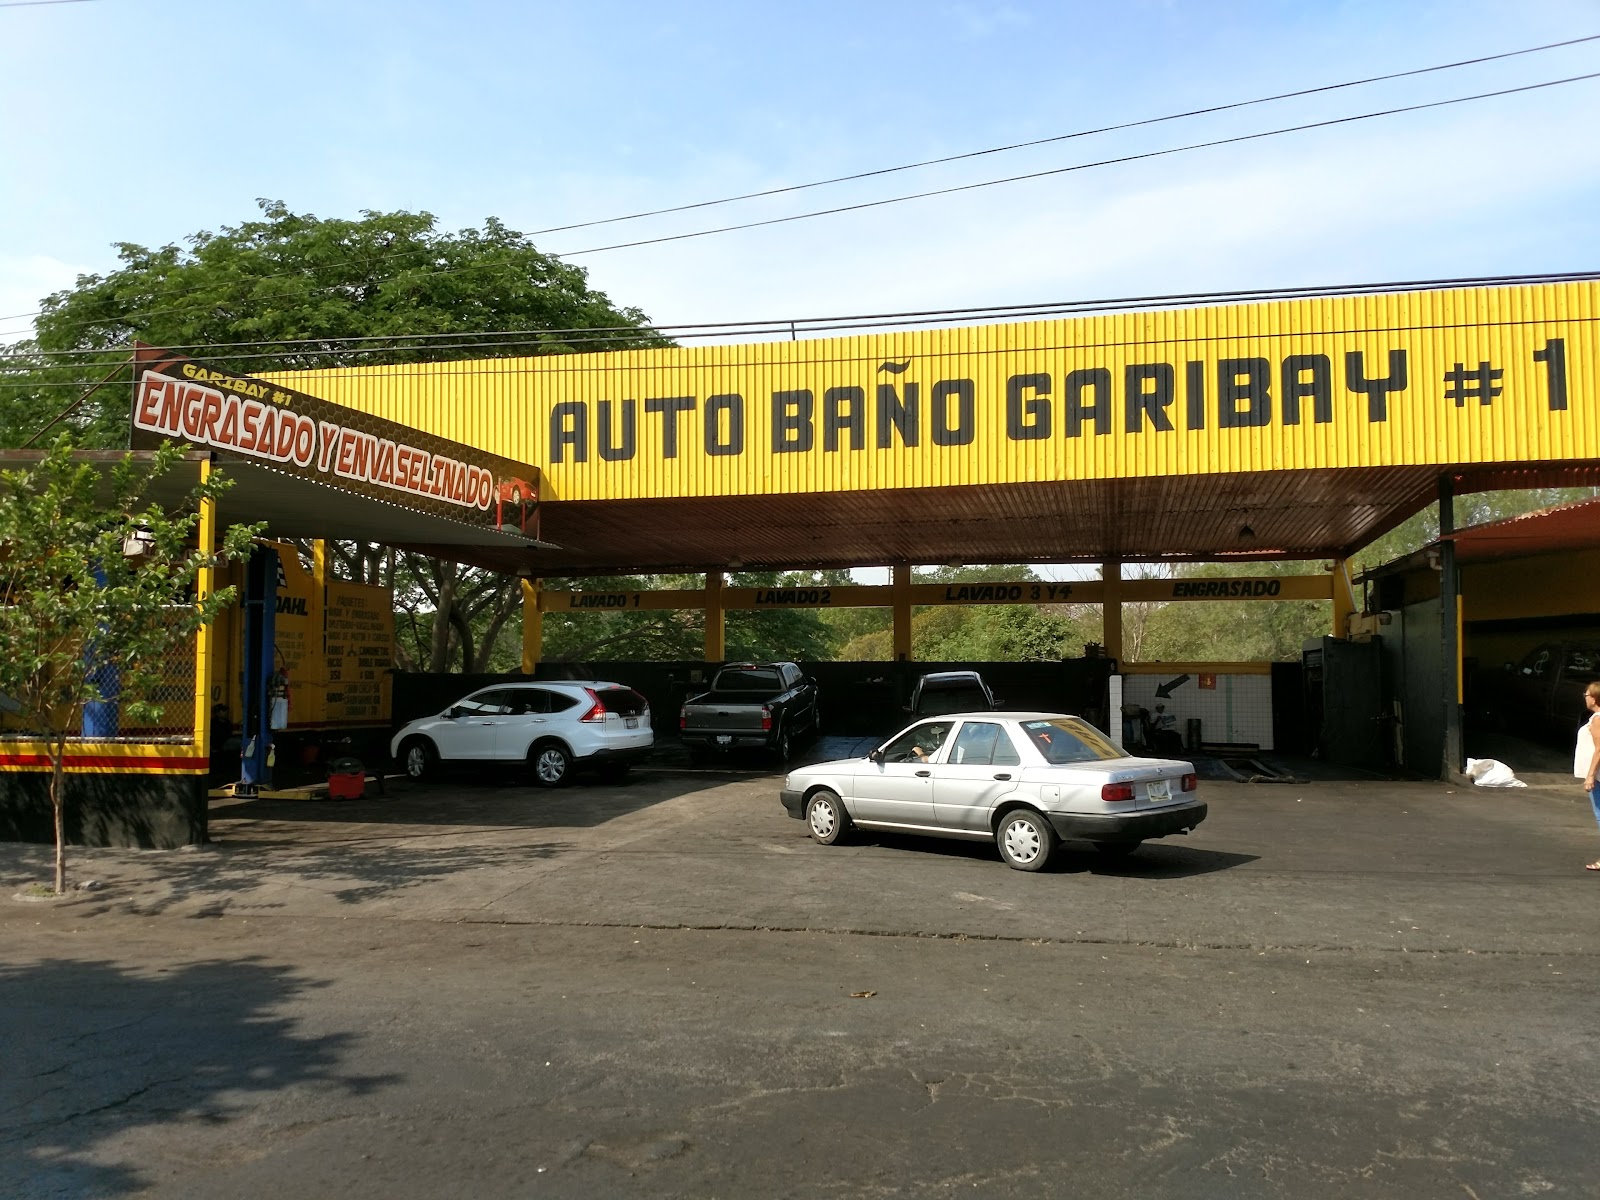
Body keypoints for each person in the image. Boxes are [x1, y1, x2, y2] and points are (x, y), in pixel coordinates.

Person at [1577, 681, 1600, 871]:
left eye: (1586, 695)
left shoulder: (1597, 719)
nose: (1585, 698)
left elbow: (1599, 748)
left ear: (1594, 698)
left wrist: (1590, 775)